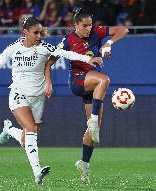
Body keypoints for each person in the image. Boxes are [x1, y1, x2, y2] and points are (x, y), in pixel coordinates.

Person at [0, 17, 103, 185]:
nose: (39, 36)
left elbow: (66, 53)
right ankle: (37, 171)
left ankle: (9, 129)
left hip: (38, 97)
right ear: (25, 32)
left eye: (41, 32)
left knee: (27, 138)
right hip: (18, 94)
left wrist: (88, 59)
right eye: (35, 33)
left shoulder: (44, 48)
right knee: (31, 128)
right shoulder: (13, 49)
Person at [47, 8, 129, 183]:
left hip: (92, 87)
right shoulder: (68, 40)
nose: (89, 29)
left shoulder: (96, 32)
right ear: (75, 25)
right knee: (104, 80)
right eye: (85, 26)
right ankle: (92, 120)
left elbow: (123, 29)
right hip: (78, 82)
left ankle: (83, 163)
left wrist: (109, 43)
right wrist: (48, 82)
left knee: (95, 131)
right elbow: (50, 61)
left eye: (90, 25)